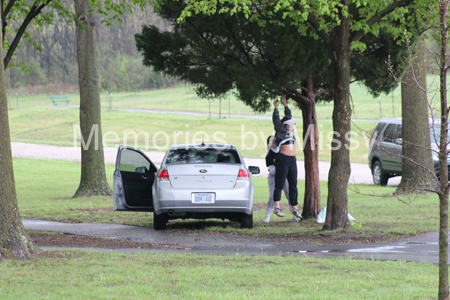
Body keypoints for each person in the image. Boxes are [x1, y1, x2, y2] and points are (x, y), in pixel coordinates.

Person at [272, 93, 302, 219]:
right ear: (285, 126)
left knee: (293, 184)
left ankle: (294, 208)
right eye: (290, 125)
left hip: (292, 161)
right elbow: (276, 119)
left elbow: (288, 115)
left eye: (292, 125)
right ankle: (277, 207)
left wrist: (285, 102)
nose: (291, 127)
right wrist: (276, 108)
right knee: (279, 184)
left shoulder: (291, 130)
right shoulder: (280, 129)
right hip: (282, 160)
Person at [264, 135, 300, 223]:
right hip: (274, 177)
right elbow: (272, 171)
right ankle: (267, 217)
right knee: (273, 196)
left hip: (285, 176)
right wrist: (282, 165)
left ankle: (295, 215)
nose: (274, 142)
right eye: (271, 141)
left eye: (275, 140)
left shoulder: (283, 151)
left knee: (289, 193)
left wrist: (281, 164)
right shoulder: (269, 156)